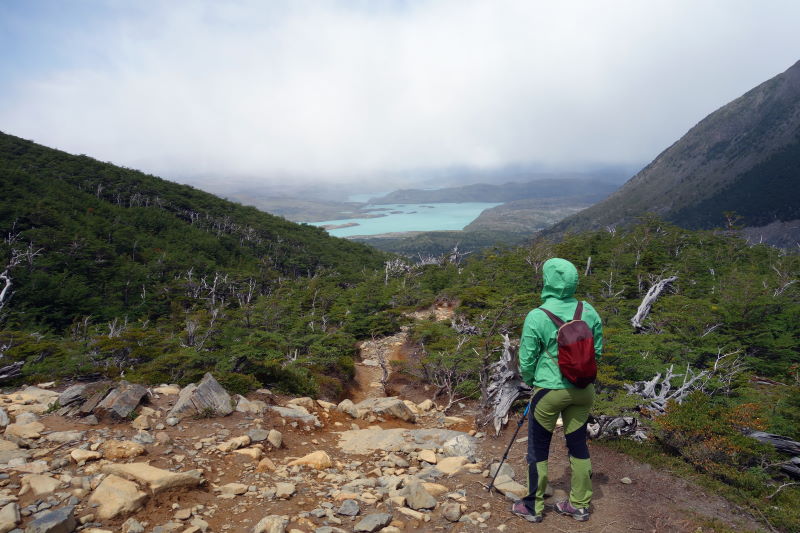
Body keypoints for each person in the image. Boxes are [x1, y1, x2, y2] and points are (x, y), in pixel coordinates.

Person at [511, 257, 603, 523]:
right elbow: (596, 352)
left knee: (538, 449)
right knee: (577, 445)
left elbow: (526, 360)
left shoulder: (537, 315)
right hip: (583, 390)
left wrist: (532, 379)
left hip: (549, 390)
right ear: (574, 280)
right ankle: (580, 505)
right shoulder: (589, 311)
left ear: (548, 280)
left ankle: (532, 507)